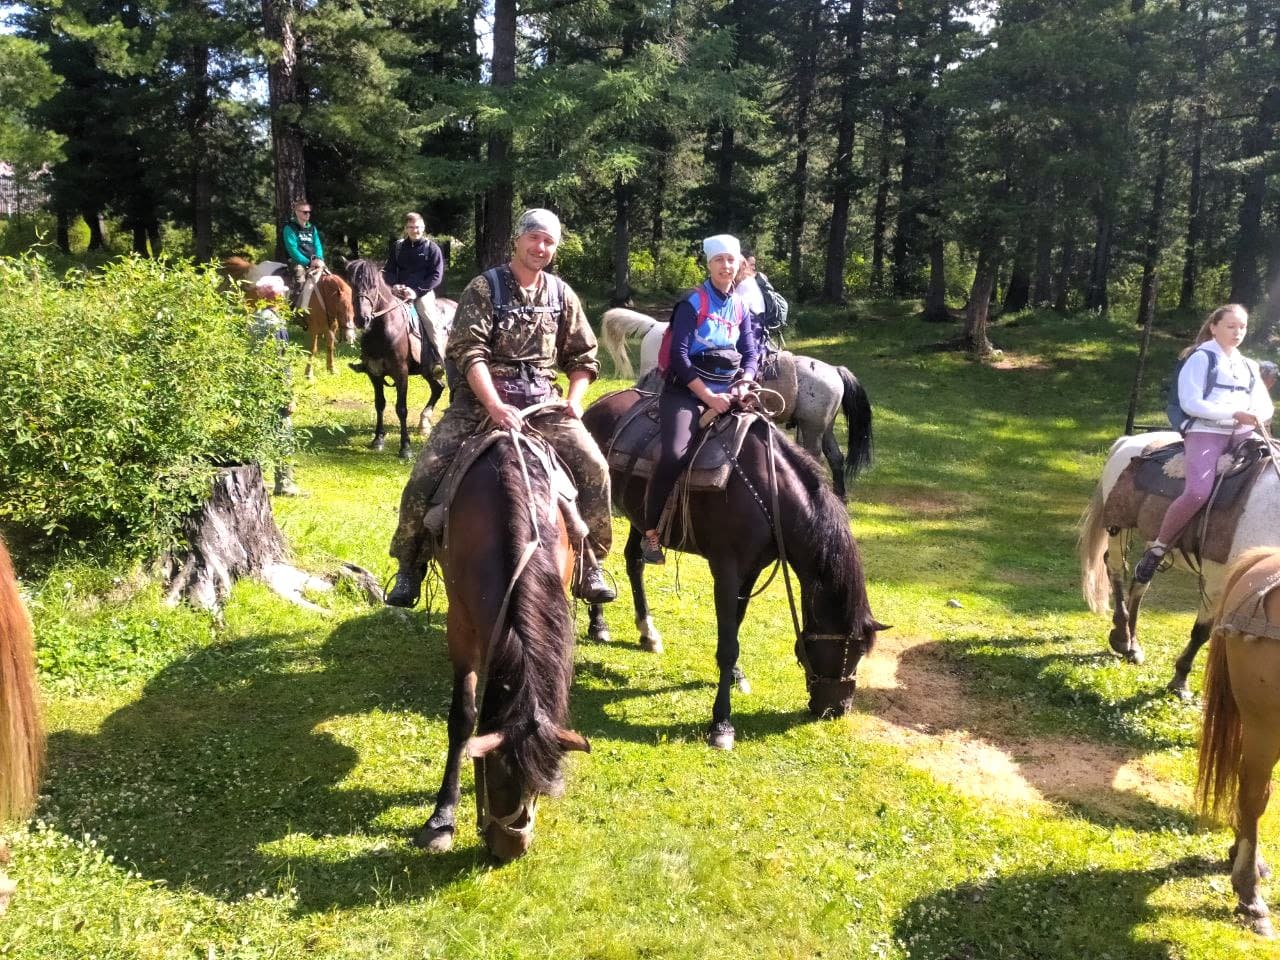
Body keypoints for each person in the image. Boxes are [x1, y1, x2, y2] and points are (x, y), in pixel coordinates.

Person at [385, 208, 616, 607]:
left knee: (595, 467)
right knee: (425, 475)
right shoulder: (484, 288)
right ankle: (410, 564)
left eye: (549, 242)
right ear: (518, 240)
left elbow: (584, 357)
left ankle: (589, 562)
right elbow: (469, 352)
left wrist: (574, 402)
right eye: (534, 238)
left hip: (544, 402)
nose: (540, 247)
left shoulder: (562, 294)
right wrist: (494, 404)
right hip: (480, 402)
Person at [640, 234, 761, 564]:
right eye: (719, 260)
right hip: (685, 393)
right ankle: (650, 533)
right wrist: (708, 396)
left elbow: (751, 353)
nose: (726, 265)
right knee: (673, 454)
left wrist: (744, 382)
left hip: (729, 392)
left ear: (739, 265)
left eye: (731, 260)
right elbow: (679, 356)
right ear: (708, 264)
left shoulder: (741, 307)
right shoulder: (692, 302)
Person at [1134, 303, 1273, 582]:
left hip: (1245, 432)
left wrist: (1256, 415)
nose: (1237, 332)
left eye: (1242, 327)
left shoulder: (1247, 364)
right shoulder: (1200, 358)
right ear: (1214, 327)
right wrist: (1233, 414)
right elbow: (1191, 402)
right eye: (1231, 326)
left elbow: (1264, 403)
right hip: (1206, 431)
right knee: (1198, 491)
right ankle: (1158, 548)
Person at [248, 276, 301, 496]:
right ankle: (284, 484)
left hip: (257, 385)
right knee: (283, 433)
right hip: (275, 386)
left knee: (258, 433)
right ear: (276, 296)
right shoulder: (274, 323)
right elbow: (281, 360)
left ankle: (253, 483)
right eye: (282, 293)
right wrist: (288, 394)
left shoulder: (256, 318)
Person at [383, 212, 446, 357]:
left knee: (429, 321)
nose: (414, 230)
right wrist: (393, 285)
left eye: (417, 227)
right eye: (411, 227)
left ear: (423, 228)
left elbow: (436, 275)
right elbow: (389, 270)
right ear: (405, 229)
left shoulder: (432, 248)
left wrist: (416, 291)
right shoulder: (397, 247)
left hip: (422, 293)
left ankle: (438, 359)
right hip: (398, 292)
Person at [282, 199, 325, 310]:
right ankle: (293, 311)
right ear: (297, 212)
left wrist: (319, 259)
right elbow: (293, 250)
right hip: (297, 262)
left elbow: (318, 245)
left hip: (314, 261)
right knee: (300, 283)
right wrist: (308, 262)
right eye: (304, 212)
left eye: (309, 212)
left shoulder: (312, 228)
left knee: (328, 278)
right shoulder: (289, 228)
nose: (308, 214)